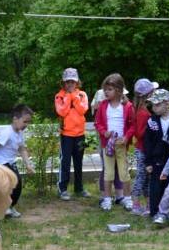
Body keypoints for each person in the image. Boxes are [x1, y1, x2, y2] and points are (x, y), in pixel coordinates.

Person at [0, 104, 35, 218]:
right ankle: (3, 207)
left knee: (18, 184)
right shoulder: (7, 132)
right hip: (1, 163)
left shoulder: (20, 133)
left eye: (28, 122)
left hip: (10, 162)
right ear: (15, 119)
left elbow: (22, 149)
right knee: (10, 184)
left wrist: (28, 165)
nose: (26, 125)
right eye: (25, 121)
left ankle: (10, 207)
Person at [94, 73, 135, 211]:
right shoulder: (103, 106)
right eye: (105, 89)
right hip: (108, 145)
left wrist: (126, 138)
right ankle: (107, 199)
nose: (106, 92)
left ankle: (128, 199)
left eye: (109, 89)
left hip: (121, 145)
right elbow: (98, 123)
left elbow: (132, 126)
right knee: (108, 173)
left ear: (118, 90)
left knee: (124, 172)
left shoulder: (128, 106)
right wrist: (104, 132)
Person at [143, 89, 169, 219]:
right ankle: (155, 212)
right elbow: (147, 142)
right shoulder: (151, 121)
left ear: (167, 103)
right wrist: (148, 162)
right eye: (152, 105)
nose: (154, 108)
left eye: (157, 104)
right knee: (156, 186)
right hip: (156, 160)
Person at [54, 68, 90, 200]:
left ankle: (79, 188)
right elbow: (61, 112)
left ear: (77, 82)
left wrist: (74, 98)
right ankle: (62, 189)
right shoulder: (59, 96)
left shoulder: (82, 95)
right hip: (66, 135)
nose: (70, 84)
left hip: (80, 134)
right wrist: (68, 97)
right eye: (67, 82)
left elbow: (83, 110)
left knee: (79, 162)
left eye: (72, 82)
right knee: (65, 162)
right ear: (63, 83)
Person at [91, 87, 125, 205]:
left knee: (118, 167)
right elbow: (97, 119)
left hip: (119, 141)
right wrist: (105, 133)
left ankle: (120, 195)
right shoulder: (101, 99)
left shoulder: (122, 106)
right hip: (105, 140)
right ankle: (105, 196)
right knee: (107, 167)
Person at [131, 78, 158, 215]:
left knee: (147, 177)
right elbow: (139, 132)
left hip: (144, 149)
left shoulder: (142, 111)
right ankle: (135, 204)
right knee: (141, 177)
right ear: (148, 95)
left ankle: (148, 204)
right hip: (142, 150)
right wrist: (151, 129)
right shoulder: (143, 113)